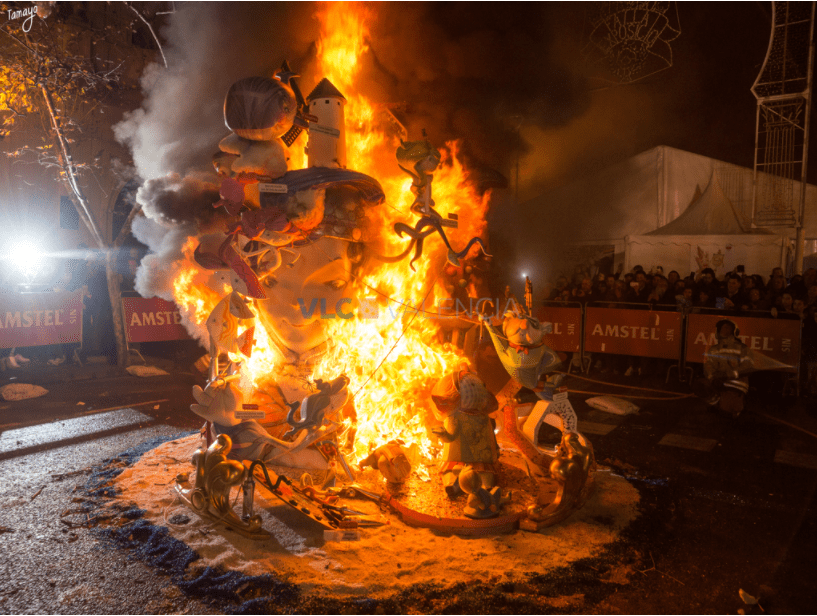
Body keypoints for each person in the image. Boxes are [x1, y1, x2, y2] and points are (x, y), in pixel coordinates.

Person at [694, 319, 752, 417]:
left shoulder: (742, 348)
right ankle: (718, 404)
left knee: (728, 412)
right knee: (699, 384)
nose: (725, 330)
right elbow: (709, 367)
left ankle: (731, 406)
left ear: (734, 332)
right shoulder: (714, 349)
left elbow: (747, 368)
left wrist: (726, 375)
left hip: (736, 385)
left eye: (728, 328)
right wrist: (712, 379)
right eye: (723, 328)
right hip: (720, 383)